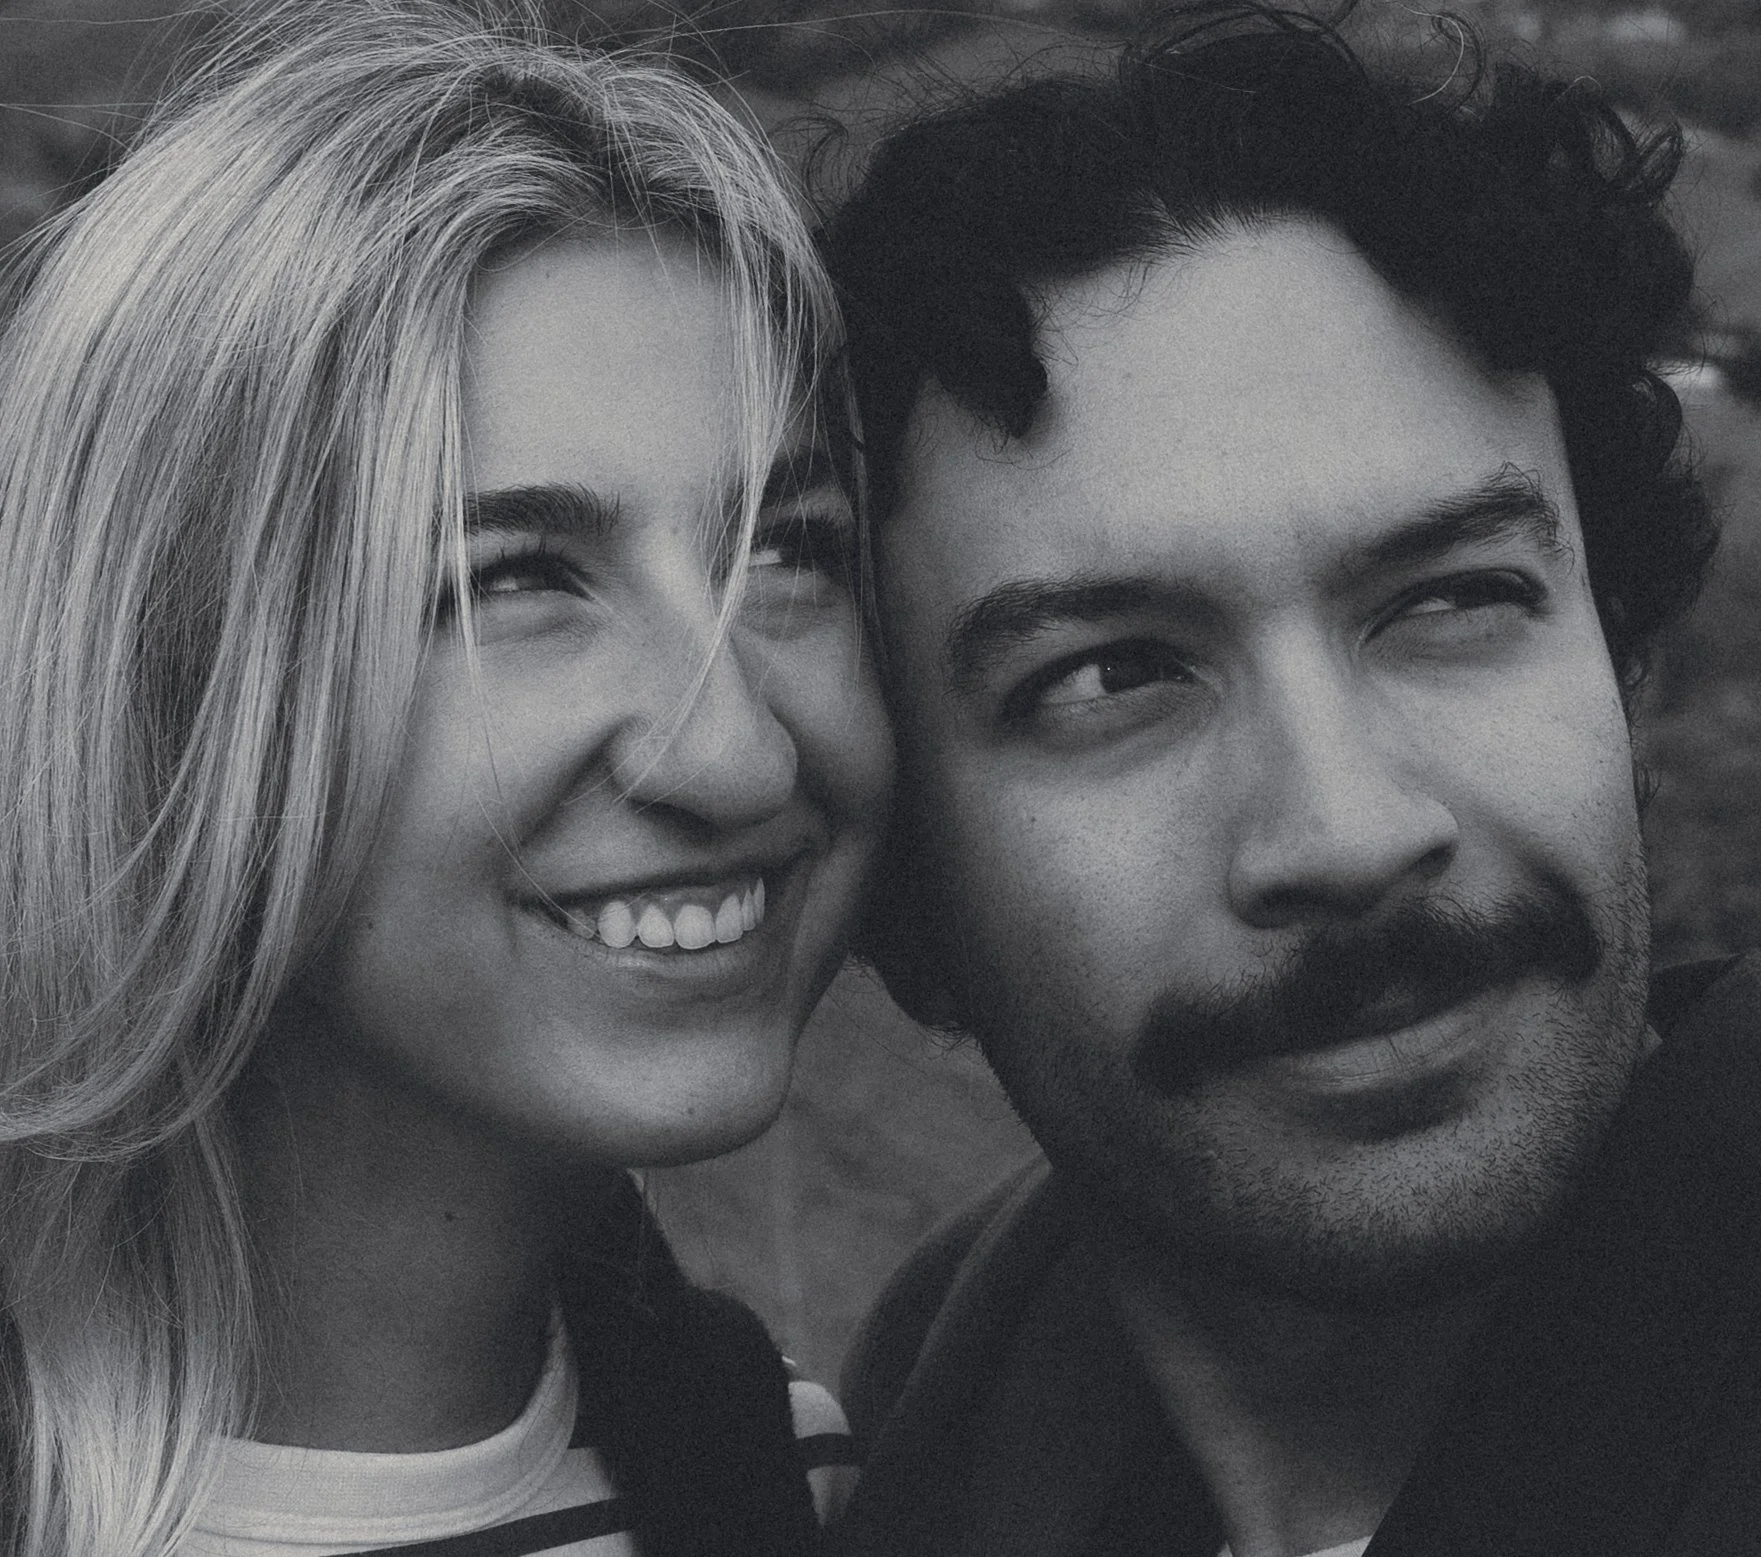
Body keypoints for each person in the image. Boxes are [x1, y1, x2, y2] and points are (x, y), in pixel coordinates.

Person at [817, 3, 1758, 1553]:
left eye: (1453, 601)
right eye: (1110, 678)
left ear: (1620, 651)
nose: (1346, 830)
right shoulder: (938, 1409)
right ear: (901, 871)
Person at [0, 4, 893, 1554]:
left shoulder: (786, 1479)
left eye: (788, 549)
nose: (737, 748)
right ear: (169, 679)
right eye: (519, 581)